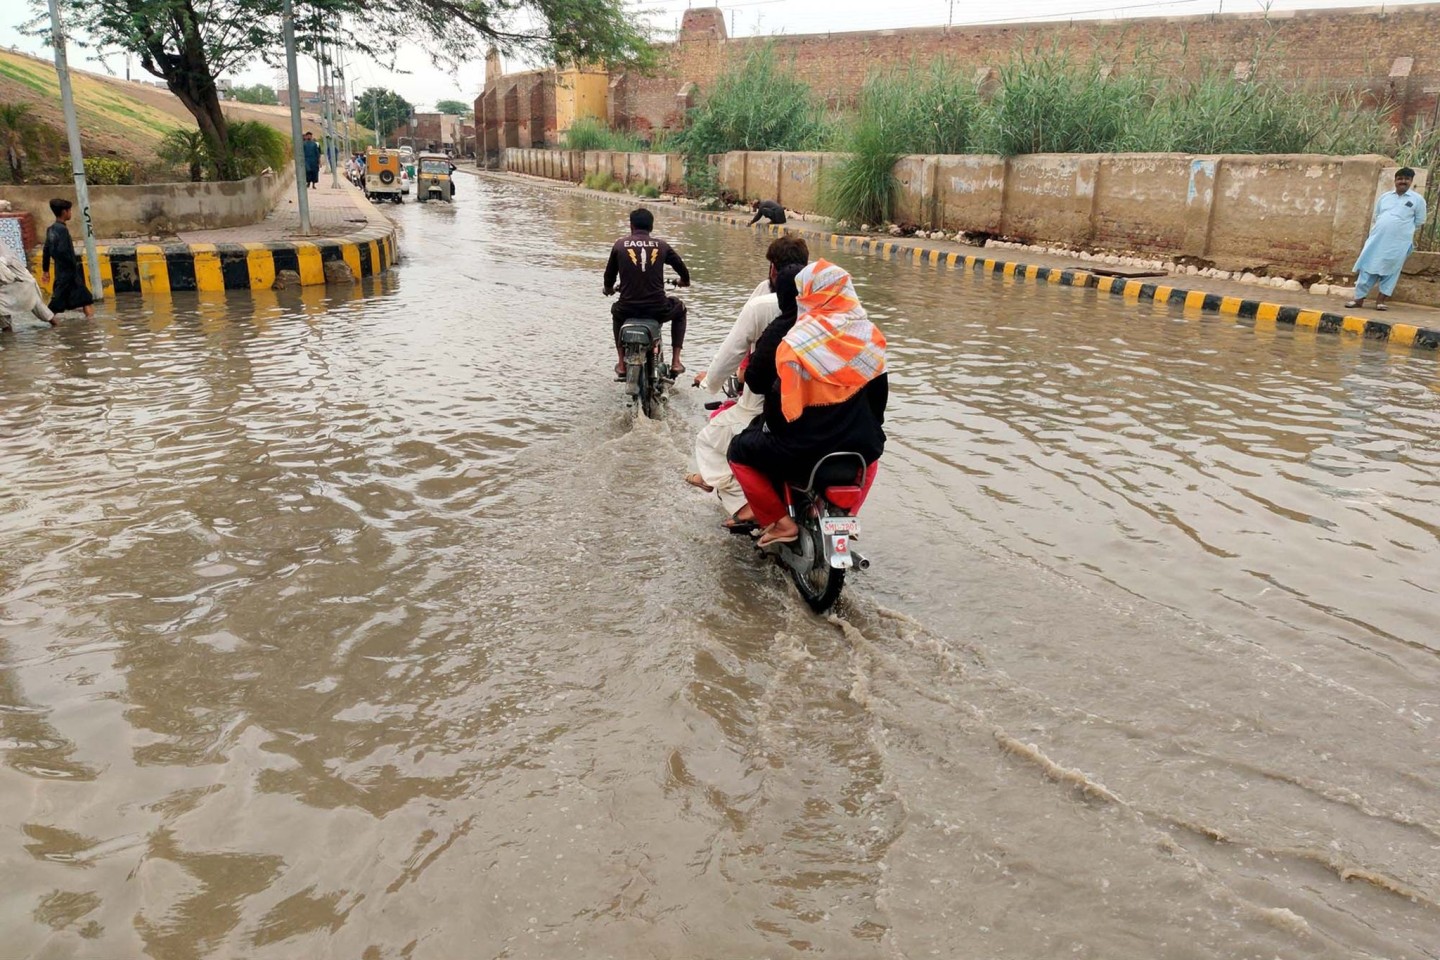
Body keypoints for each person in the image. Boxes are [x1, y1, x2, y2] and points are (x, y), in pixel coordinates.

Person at [727, 259, 887, 547]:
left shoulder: (795, 343)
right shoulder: (870, 338)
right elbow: (878, 404)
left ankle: (780, 522)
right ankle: (848, 515)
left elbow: (778, 414)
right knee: (873, 452)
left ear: (808, 295)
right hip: (858, 447)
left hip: (801, 450)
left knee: (738, 450)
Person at [686, 236, 810, 529]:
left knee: (710, 440)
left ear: (773, 270)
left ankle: (745, 504)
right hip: (824, 410)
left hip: (765, 403)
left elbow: (737, 354)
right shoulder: (828, 309)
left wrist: (710, 382)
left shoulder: (765, 309)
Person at [603, 207, 690, 377]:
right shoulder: (662, 246)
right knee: (680, 309)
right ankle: (676, 361)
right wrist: (684, 281)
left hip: (627, 309)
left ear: (631, 226)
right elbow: (682, 268)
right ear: (651, 227)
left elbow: (609, 278)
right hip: (657, 309)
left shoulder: (620, 246)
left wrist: (608, 290)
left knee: (616, 312)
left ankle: (621, 363)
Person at [1346, 167, 1428, 311]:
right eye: (1400, 178)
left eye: (1406, 179)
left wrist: (1400, 229)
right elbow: (1378, 216)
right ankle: (1358, 300)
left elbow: (1419, 221)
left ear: (1411, 181)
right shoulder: (1385, 197)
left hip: (1398, 243)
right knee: (1367, 267)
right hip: (1377, 240)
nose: (1403, 181)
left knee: (1391, 270)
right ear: (1395, 180)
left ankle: (1381, 301)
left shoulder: (1417, 200)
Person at [40, 199, 95, 319]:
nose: (70, 213)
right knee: (55, 306)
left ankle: (91, 327)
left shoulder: (51, 229)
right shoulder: (62, 230)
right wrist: (73, 267)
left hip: (62, 272)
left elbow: (46, 250)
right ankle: (46, 323)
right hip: (68, 274)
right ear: (64, 212)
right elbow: (64, 251)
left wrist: (46, 270)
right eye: (69, 210)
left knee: (85, 299)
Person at [0, 240, 57, 332]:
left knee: (38, 307)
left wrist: (2, 262)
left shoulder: (3, 251)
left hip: (22, 283)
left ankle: (58, 328)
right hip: (4, 287)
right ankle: (9, 341)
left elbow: (8, 258)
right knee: (2, 314)